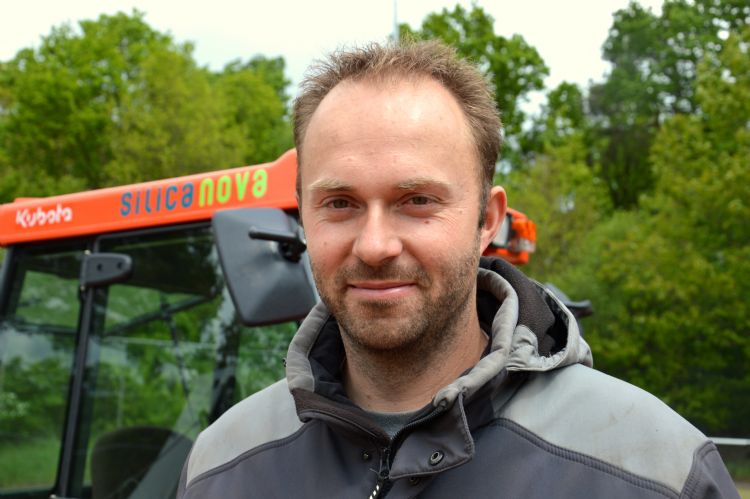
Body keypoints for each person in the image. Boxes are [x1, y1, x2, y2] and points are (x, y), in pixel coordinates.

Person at [177, 40, 739, 498]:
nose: (374, 246)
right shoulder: (219, 467)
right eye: (340, 203)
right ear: (304, 216)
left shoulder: (656, 473)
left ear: (486, 219)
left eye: (418, 200)